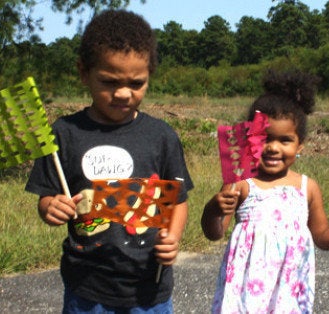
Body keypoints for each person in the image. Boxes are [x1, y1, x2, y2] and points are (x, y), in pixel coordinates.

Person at [25, 10, 193, 313]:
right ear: (83, 72)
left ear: (149, 76)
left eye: (137, 83)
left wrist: (174, 237)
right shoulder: (64, 134)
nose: (123, 93)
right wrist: (51, 207)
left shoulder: (162, 136)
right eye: (109, 81)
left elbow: (177, 200)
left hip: (149, 288)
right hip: (87, 287)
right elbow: (46, 196)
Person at [201, 70, 329, 313]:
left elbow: (322, 236)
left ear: (299, 144)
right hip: (245, 293)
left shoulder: (307, 187)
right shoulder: (240, 182)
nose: (272, 148)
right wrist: (213, 208)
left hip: (288, 292)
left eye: (284, 140)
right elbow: (215, 232)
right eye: (264, 139)